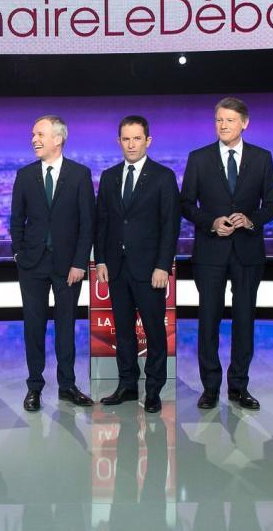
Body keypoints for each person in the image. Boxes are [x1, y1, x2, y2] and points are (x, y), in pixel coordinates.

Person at [180, 97, 273, 410]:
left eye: (230, 120)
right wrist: (211, 222)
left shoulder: (262, 158)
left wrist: (250, 220)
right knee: (208, 320)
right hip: (210, 252)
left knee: (244, 320)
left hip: (248, 252)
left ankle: (239, 387)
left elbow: (272, 204)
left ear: (244, 123)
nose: (223, 125)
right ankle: (210, 388)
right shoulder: (199, 158)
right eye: (219, 120)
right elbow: (186, 204)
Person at [95, 115, 180, 413]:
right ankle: (127, 385)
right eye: (126, 139)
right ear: (119, 141)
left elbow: (170, 225)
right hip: (116, 268)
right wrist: (101, 260)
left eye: (137, 138)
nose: (131, 144)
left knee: (155, 331)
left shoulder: (163, 177)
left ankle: (153, 389)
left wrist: (163, 265)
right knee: (123, 332)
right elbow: (102, 222)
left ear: (148, 141)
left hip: (150, 270)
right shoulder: (109, 177)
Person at [10, 115, 95, 412]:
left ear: (58, 139)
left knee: (66, 326)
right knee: (33, 327)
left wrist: (80, 262)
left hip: (68, 266)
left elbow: (87, 223)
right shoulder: (25, 175)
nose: (34, 139)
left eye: (40, 134)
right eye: (33, 134)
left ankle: (67, 385)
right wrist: (19, 254)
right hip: (32, 265)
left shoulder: (80, 174)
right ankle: (34, 387)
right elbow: (16, 220)